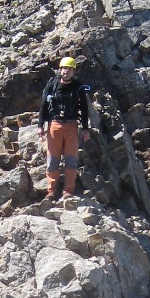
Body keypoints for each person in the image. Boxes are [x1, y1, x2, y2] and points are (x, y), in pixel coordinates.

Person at [38, 57, 91, 200]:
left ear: (73, 71)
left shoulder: (78, 87)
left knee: (71, 160)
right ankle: (52, 191)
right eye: (63, 68)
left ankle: (68, 190)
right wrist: (40, 125)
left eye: (69, 69)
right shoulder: (52, 85)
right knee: (52, 160)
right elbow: (43, 106)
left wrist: (85, 128)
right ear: (60, 70)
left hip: (72, 126)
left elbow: (84, 109)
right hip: (54, 125)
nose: (65, 71)